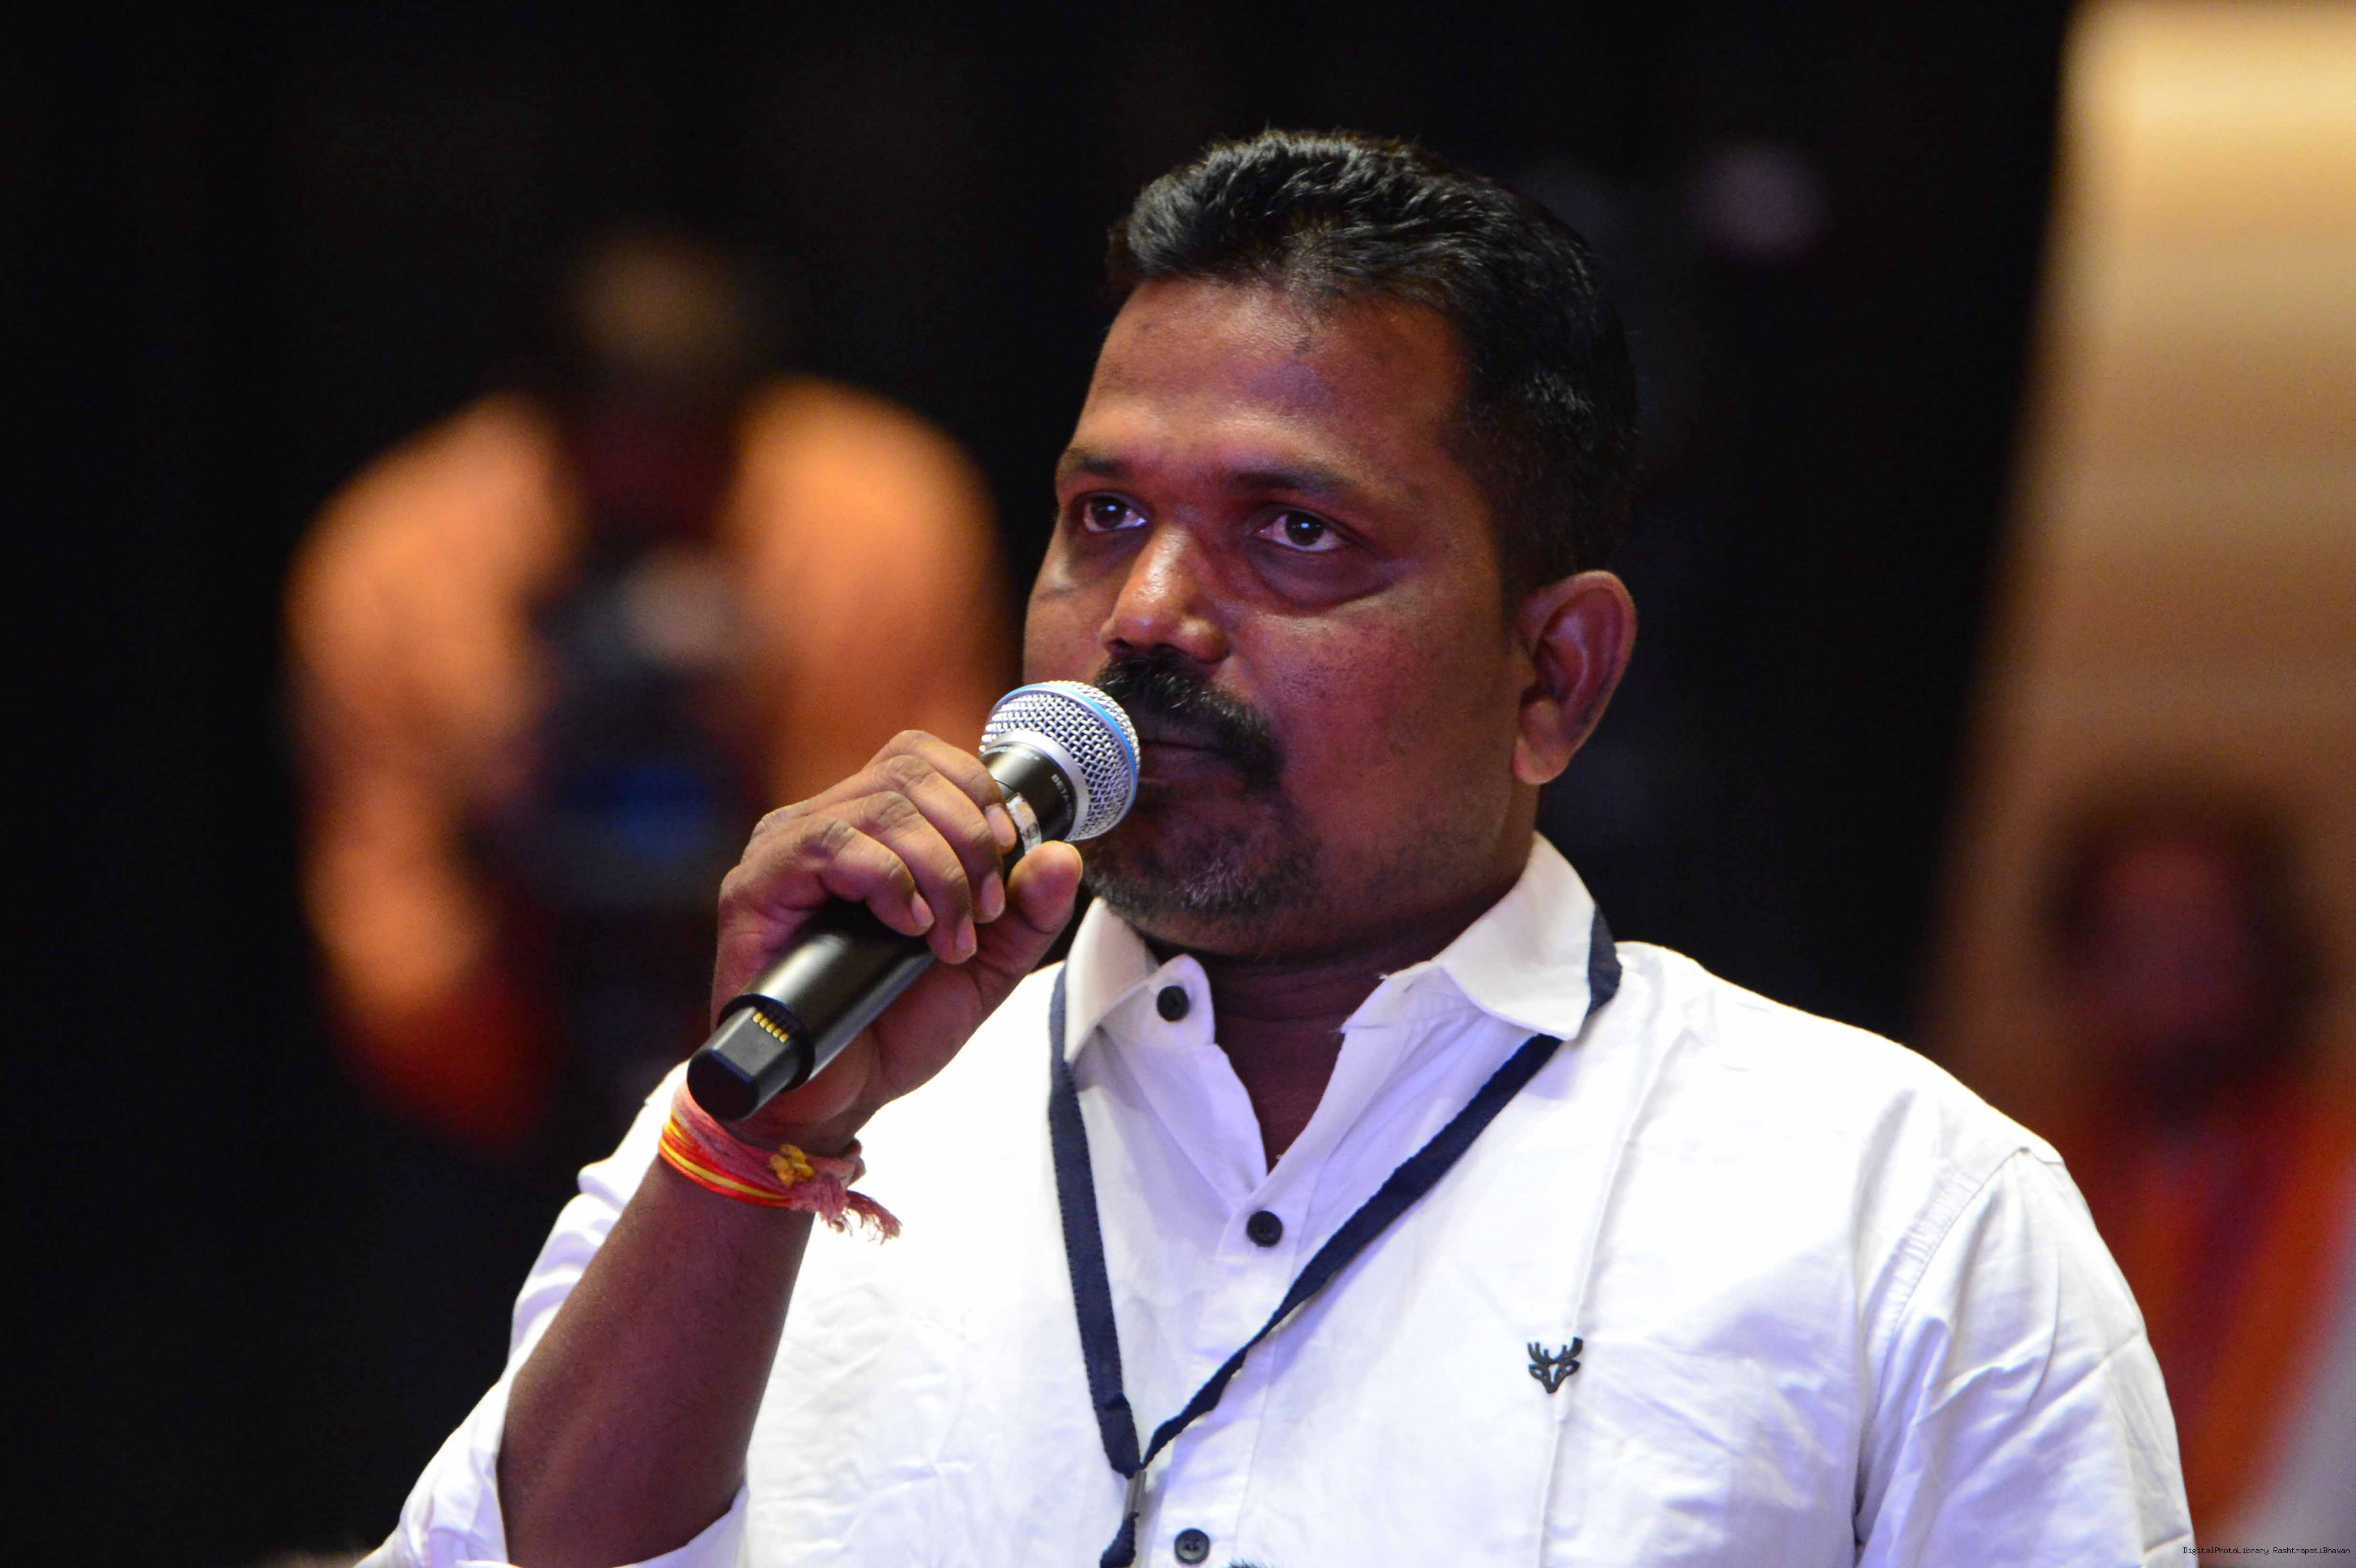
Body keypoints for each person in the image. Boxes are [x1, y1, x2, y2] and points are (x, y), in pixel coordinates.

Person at [368, 133, 2188, 1568]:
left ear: (1552, 675)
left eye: (1294, 532)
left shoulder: (1895, 1211)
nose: (1147, 611)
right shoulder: (779, 1129)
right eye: (1103, 514)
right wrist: (751, 1148)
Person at [289, 230, 1011, 1154]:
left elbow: (947, 869)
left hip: (830, 1081)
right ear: (536, 430)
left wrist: (765, 787)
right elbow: (386, 942)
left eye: (693, 469)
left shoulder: (883, 519)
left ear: (756, 429)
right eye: (610, 471)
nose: (652, 490)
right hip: (491, 1095)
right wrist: (504, 834)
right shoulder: (394, 559)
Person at [2040, 784, 2355, 1547]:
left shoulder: (2338, 1189)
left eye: (2203, 948)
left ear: (2272, 962)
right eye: (2135, 946)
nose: (2170, 986)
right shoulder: (2029, 1187)